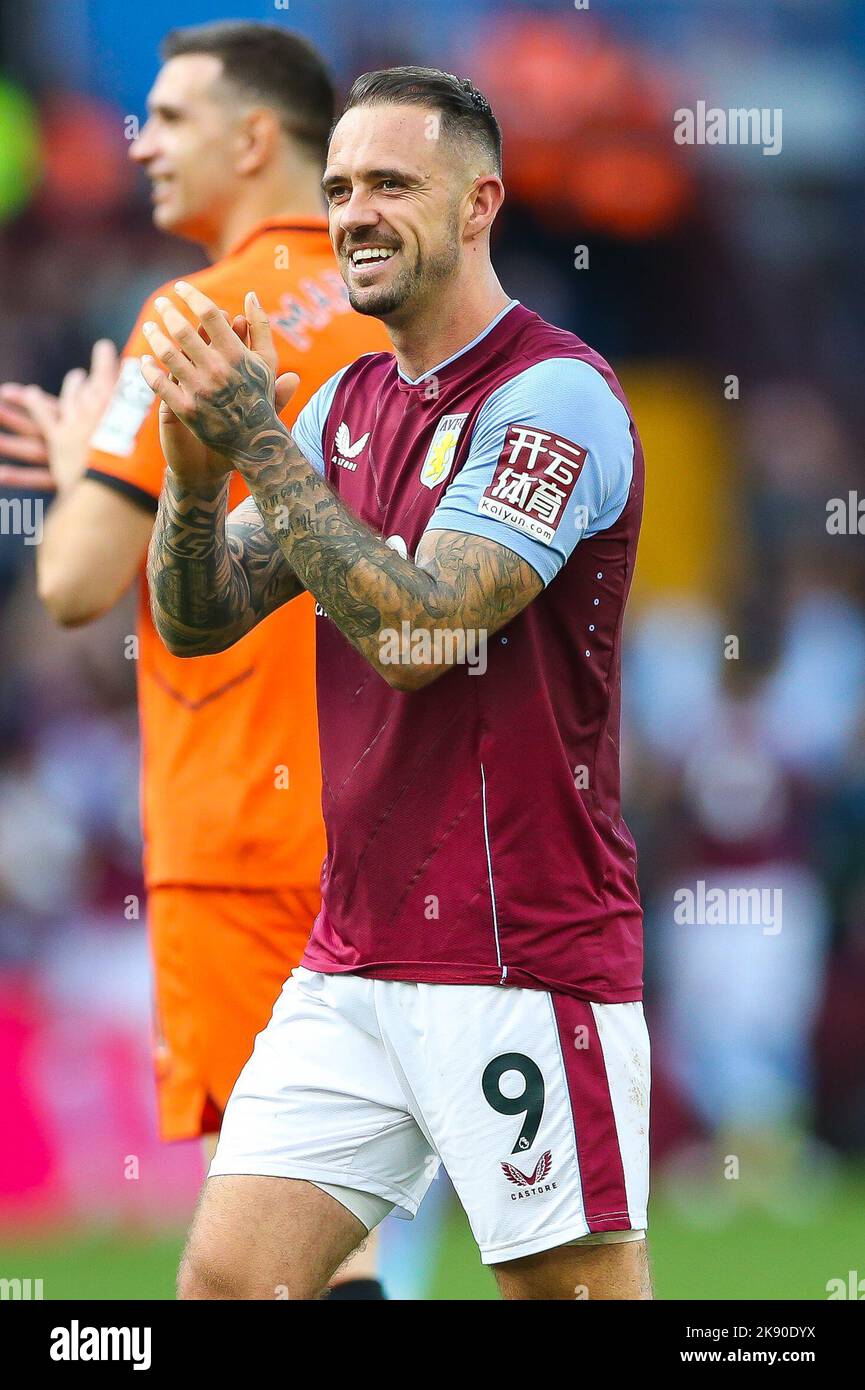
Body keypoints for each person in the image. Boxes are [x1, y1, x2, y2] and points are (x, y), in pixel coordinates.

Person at [144, 65, 650, 1302]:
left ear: (479, 203)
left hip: (515, 954)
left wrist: (260, 439)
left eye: (389, 184)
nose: (354, 212)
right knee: (227, 1283)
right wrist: (198, 477)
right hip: (355, 955)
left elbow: (421, 637)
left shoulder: (555, 397)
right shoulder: (346, 407)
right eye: (338, 188)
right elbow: (198, 619)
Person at [0, 22, 390, 1298]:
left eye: (167, 119)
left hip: (242, 826)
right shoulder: (409, 304)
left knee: (251, 1264)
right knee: (341, 1222)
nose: (140, 144)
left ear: (254, 136)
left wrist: (78, 479)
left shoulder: (190, 317)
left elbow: (70, 581)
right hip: (402, 813)